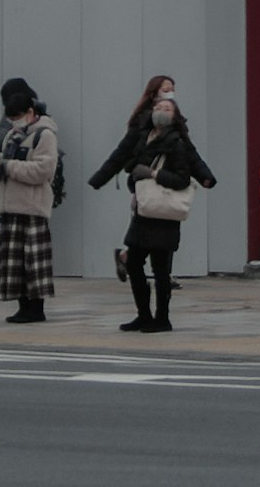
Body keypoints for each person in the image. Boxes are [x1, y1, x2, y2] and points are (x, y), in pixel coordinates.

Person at [89, 74, 218, 334]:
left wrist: (203, 176)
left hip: (163, 209)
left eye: (170, 99)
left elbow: (187, 165)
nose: (165, 103)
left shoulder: (176, 141)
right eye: (162, 98)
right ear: (153, 97)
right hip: (144, 207)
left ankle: (162, 318)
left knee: (161, 268)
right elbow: (120, 154)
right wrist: (99, 178)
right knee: (134, 262)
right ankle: (143, 314)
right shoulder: (142, 130)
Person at [0, 77, 61, 323]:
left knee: (33, 262)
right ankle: (22, 307)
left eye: (17, 117)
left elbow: (42, 171)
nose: (15, 122)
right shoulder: (12, 136)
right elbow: (3, 171)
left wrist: (8, 166)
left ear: (30, 112)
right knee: (14, 262)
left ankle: (36, 309)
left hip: (32, 208)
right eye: (11, 119)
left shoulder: (45, 135)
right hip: (10, 205)